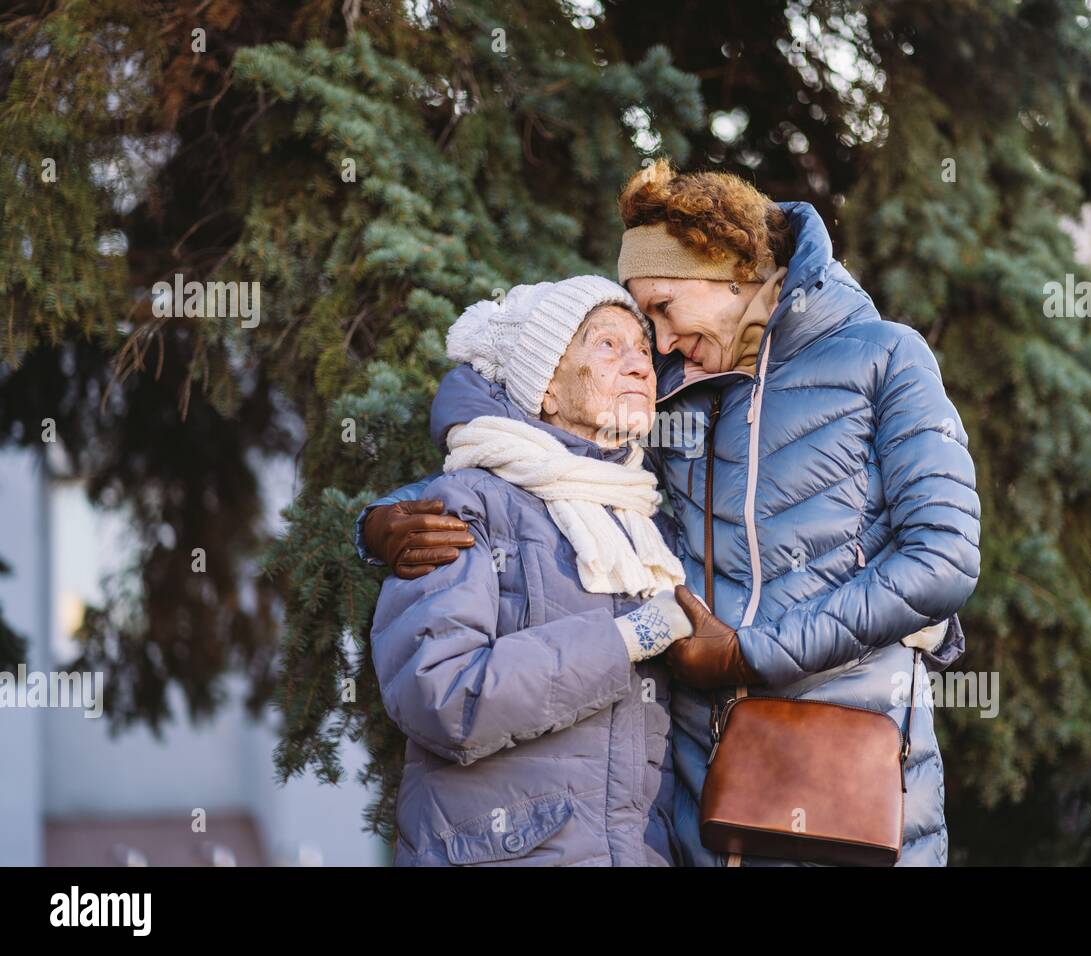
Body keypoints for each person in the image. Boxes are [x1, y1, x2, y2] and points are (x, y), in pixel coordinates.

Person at [361, 161, 980, 866]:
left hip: (843, 779)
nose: (655, 344)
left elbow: (944, 558)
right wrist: (385, 521)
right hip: (692, 810)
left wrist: (751, 654)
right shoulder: (672, 398)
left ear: (729, 272)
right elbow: (550, 463)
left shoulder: (884, 358)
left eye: (661, 308)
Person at [370, 276, 692, 866]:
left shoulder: (651, 532)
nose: (641, 367)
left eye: (644, 351)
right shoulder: (469, 505)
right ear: (546, 388)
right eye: (608, 346)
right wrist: (627, 639)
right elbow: (440, 695)